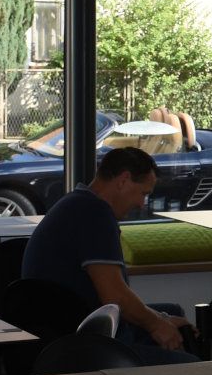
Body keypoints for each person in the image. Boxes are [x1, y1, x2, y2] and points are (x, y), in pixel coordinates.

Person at [21, 145, 197, 363]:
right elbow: (114, 296)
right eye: (143, 193)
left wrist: (161, 319)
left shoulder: (76, 203)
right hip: (83, 344)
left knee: (171, 312)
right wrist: (157, 324)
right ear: (123, 180)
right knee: (191, 368)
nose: (141, 204)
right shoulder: (95, 215)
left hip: (62, 327)